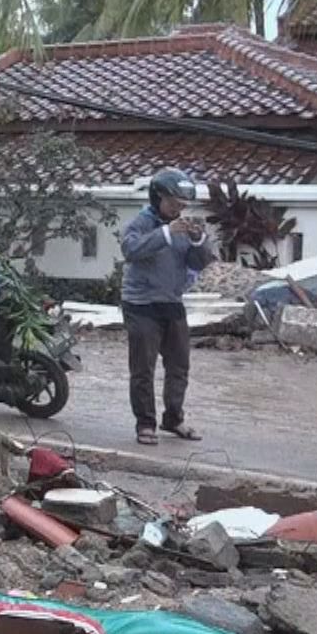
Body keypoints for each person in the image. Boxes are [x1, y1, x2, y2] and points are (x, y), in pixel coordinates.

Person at [119, 169, 216, 445]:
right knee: (143, 368)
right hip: (141, 304)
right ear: (157, 197)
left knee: (179, 365)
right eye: (174, 203)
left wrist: (198, 241)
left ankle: (173, 418)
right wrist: (165, 233)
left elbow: (198, 263)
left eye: (183, 204)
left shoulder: (182, 226)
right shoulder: (142, 222)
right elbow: (131, 250)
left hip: (172, 301)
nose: (179, 209)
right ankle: (145, 424)